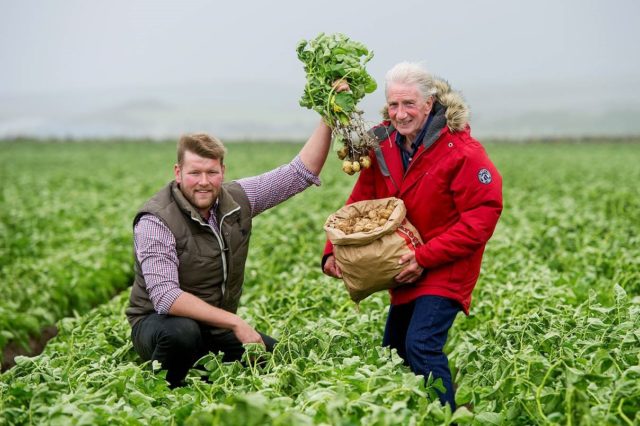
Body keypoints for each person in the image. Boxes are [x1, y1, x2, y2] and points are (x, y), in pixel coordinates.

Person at [322, 62, 503, 410]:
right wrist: (334, 251)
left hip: (446, 263)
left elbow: (482, 217)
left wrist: (425, 257)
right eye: (393, 105)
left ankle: (447, 417)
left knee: (420, 344)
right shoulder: (385, 143)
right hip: (404, 260)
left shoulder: (462, 151)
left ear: (429, 103)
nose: (400, 114)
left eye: (408, 104)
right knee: (394, 350)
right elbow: (362, 199)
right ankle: (416, 412)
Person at [126, 108, 339, 387]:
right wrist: (235, 322)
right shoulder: (156, 220)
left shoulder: (237, 198)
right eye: (195, 173)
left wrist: (329, 118)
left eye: (211, 172)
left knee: (274, 360)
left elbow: (298, 174)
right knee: (182, 334)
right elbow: (166, 297)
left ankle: (200, 372)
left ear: (222, 171)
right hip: (158, 324)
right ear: (178, 173)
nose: (204, 182)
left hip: (211, 326)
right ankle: (163, 393)